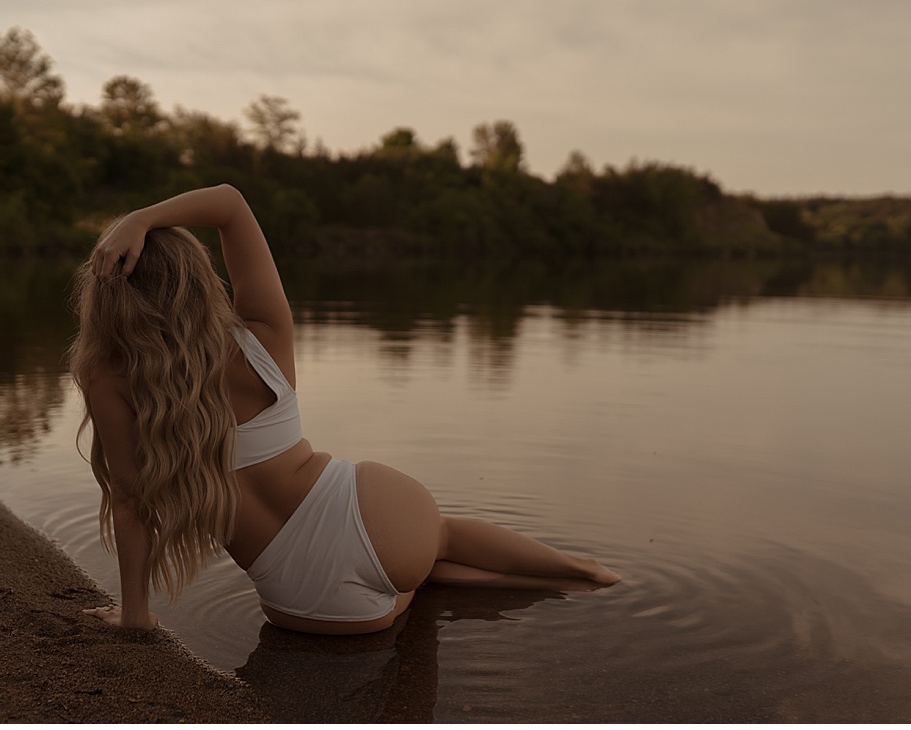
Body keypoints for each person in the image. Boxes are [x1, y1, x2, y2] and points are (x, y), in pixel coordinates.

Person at [69, 183, 618, 635]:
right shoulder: (261, 336)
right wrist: (140, 219)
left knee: (416, 583)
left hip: (310, 608)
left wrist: (136, 616)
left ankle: (538, 581)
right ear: (195, 279)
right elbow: (230, 204)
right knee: (440, 541)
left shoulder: (106, 377)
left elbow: (130, 504)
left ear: (108, 295)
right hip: (380, 521)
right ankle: (583, 572)